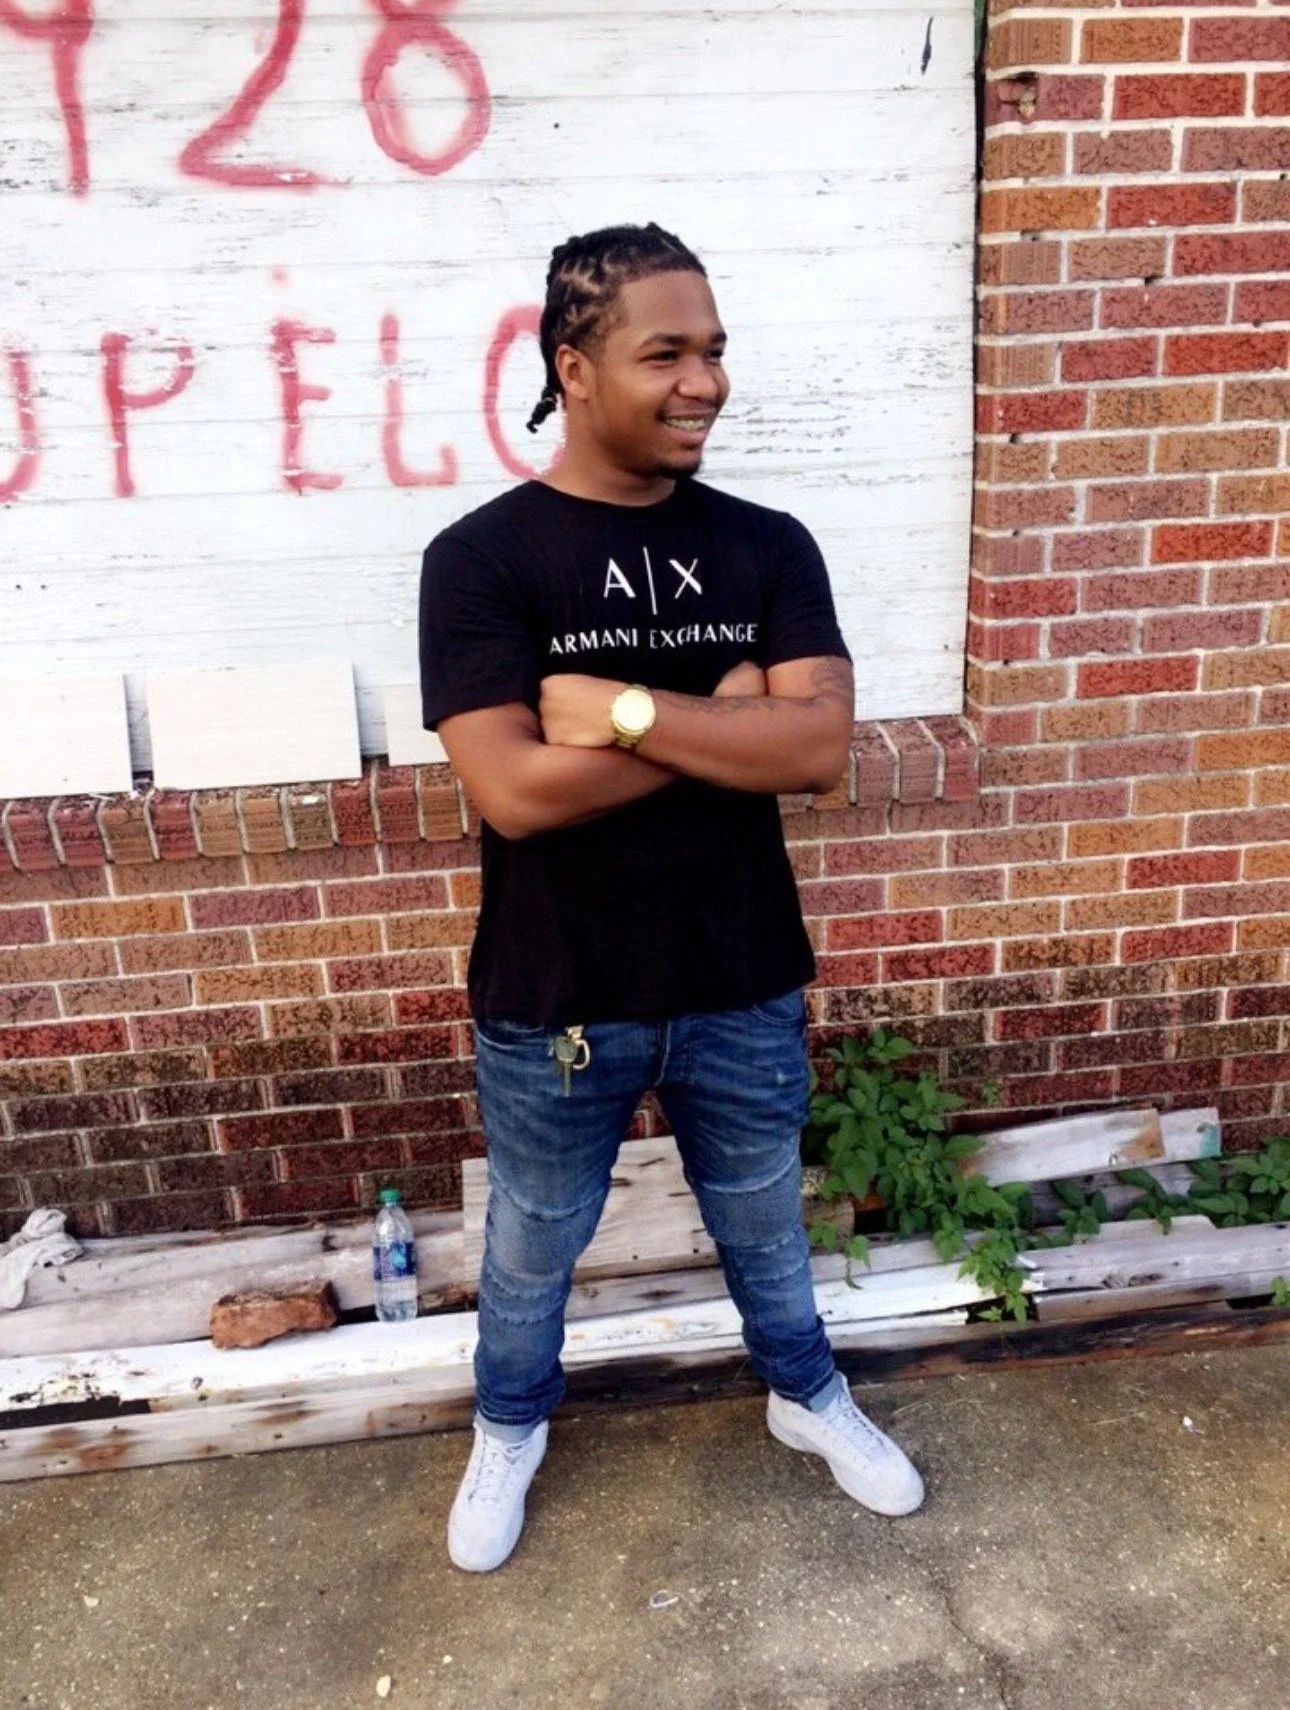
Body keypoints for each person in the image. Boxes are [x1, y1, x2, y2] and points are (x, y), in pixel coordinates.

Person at [419, 223, 924, 1574]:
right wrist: (724, 718)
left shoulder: (766, 544)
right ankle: (510, 1421)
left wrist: (627, 711)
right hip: (558, 997)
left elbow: (817, 752)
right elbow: (514, 791)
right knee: (532, 1245)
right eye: (666, 354)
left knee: (764, 1219)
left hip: (740, 972)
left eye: (714, 350)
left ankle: (805, 1393)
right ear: (573, 367)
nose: (704, 381)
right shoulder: (482, 559)